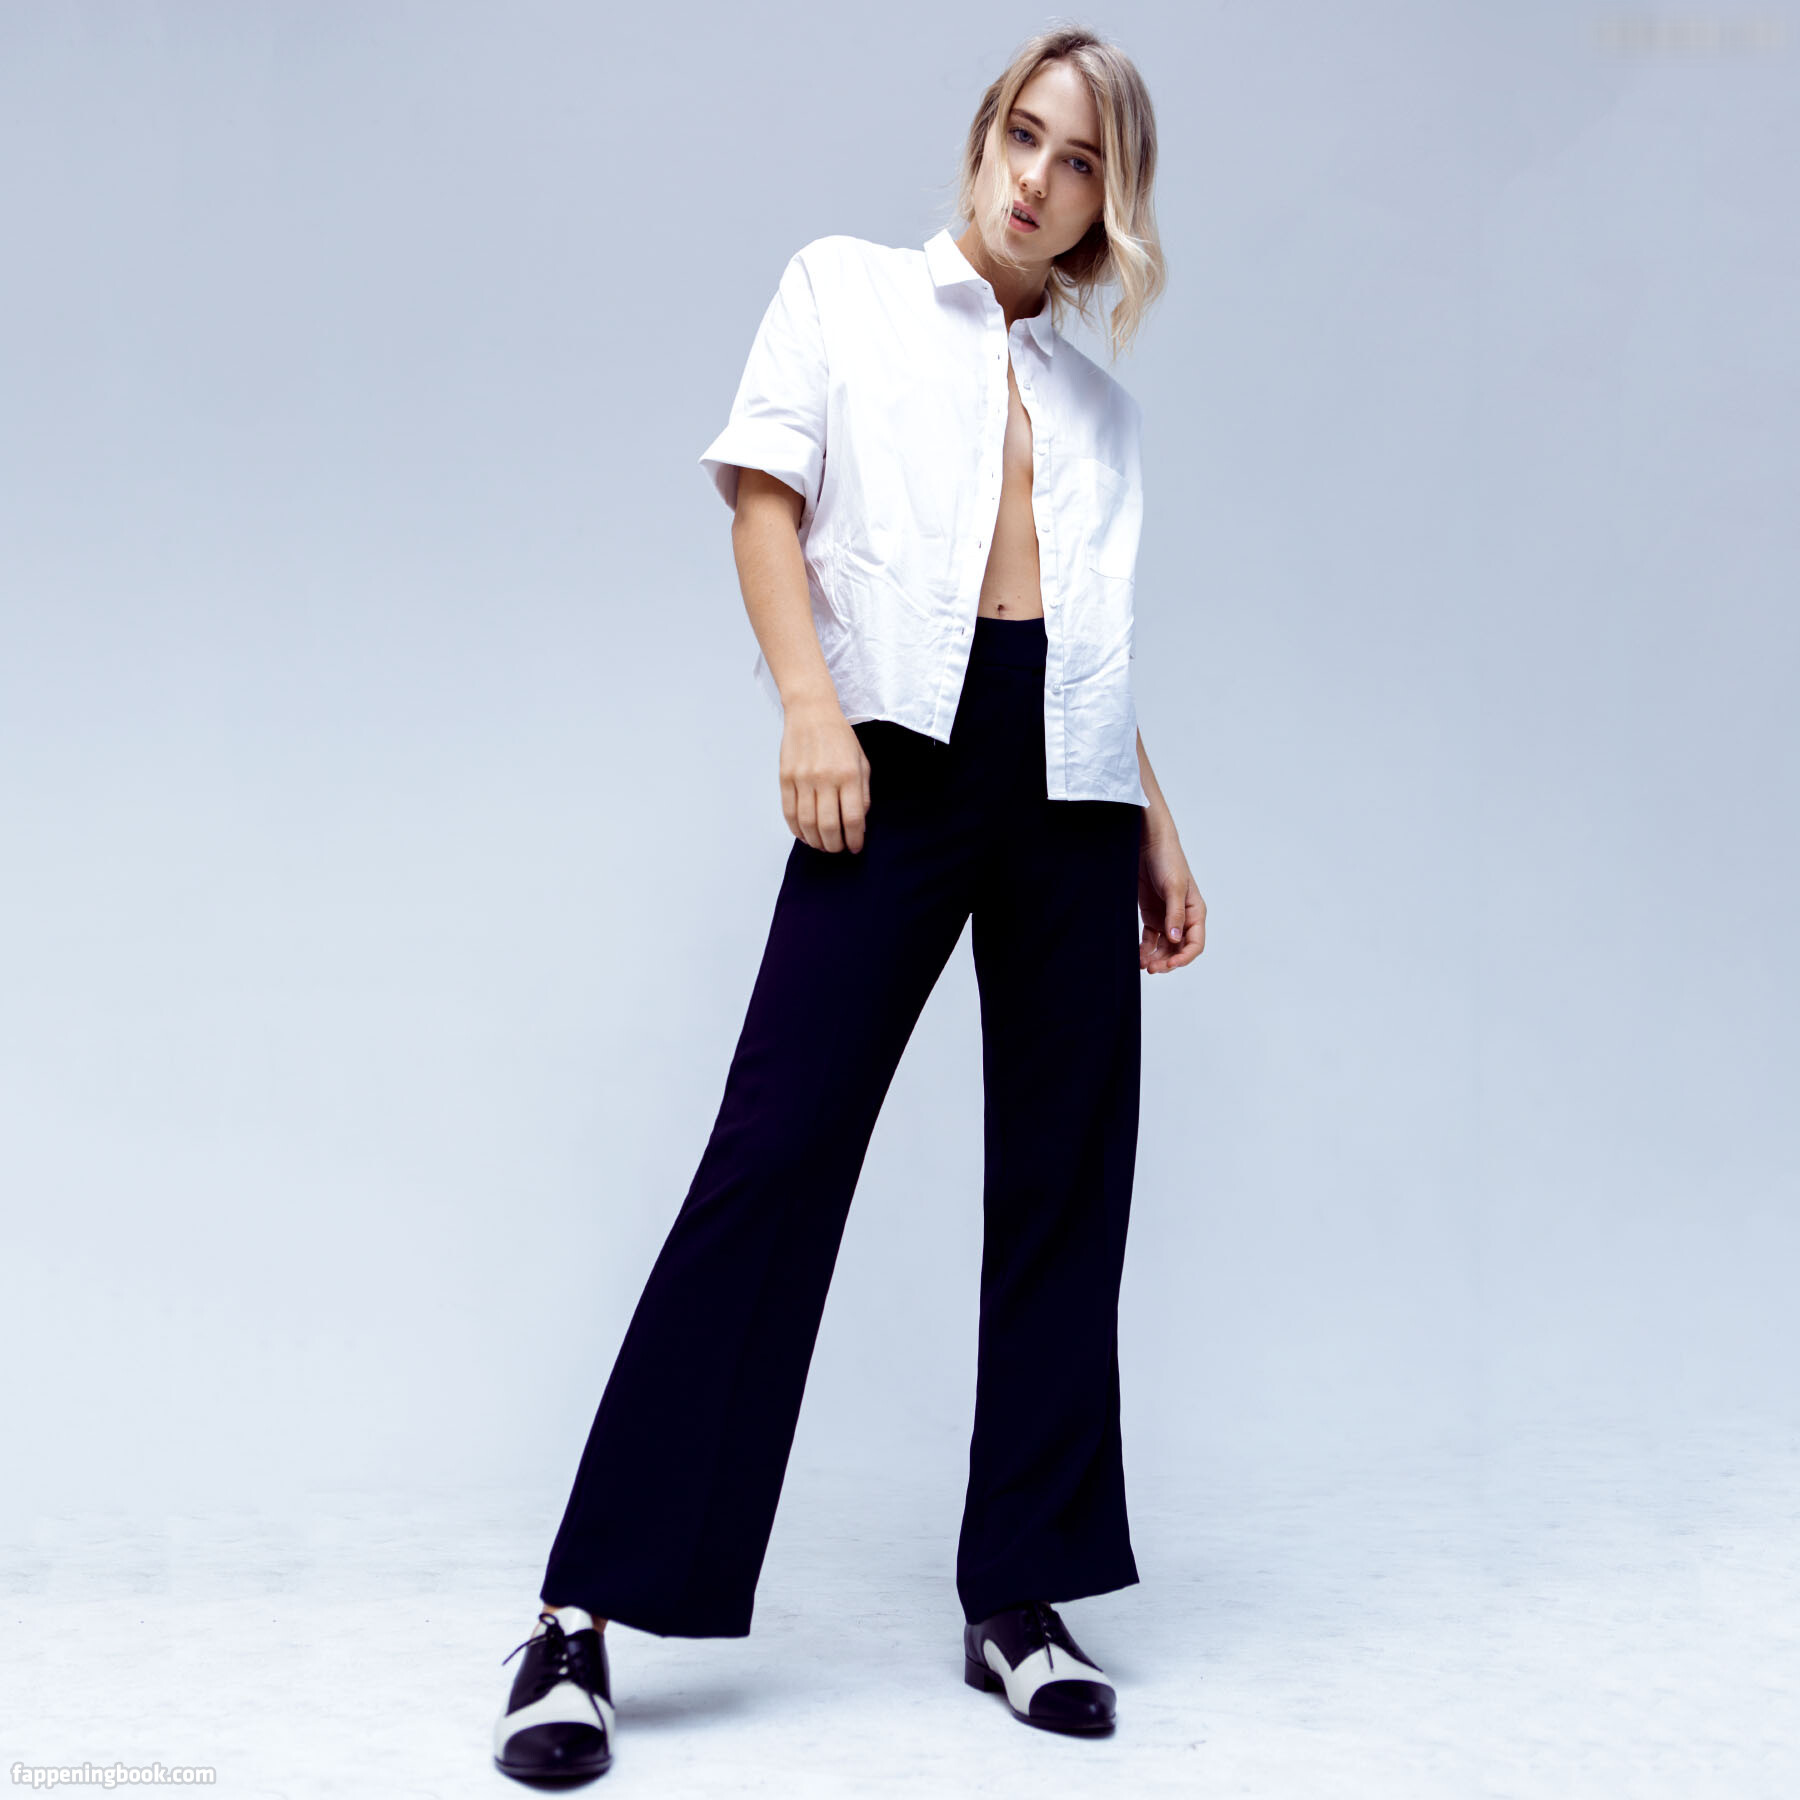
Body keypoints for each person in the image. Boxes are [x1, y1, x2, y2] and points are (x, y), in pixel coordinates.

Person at [491, 24, 1205, 1785]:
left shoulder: (1102, 411)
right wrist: (810, 708)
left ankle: (1021, 1593)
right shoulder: (848, 291)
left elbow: (1084, 636)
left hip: (1072, 782)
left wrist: (1156, 820)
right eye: (1024, 134)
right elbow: (764, 499)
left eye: (1080, 160)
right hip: (894, 747)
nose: (1038, 177)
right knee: (779, 1150)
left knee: (1067, 1180)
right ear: (985, 133)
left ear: (1111, 201)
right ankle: (583, 1615)